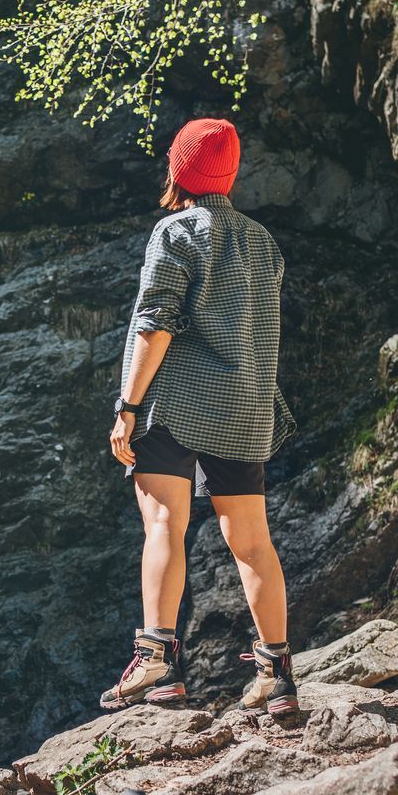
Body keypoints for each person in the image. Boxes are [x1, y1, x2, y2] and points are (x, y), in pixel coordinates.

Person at [99, 117, 299, 716]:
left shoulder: (175, 232)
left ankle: (160, 663)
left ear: (180, 170)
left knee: (164, 524)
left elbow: (154, 323)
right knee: (253, 544)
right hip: (246, 409)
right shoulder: (262, 240)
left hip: (179, 404)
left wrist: (127, 408)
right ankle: (276, 674)